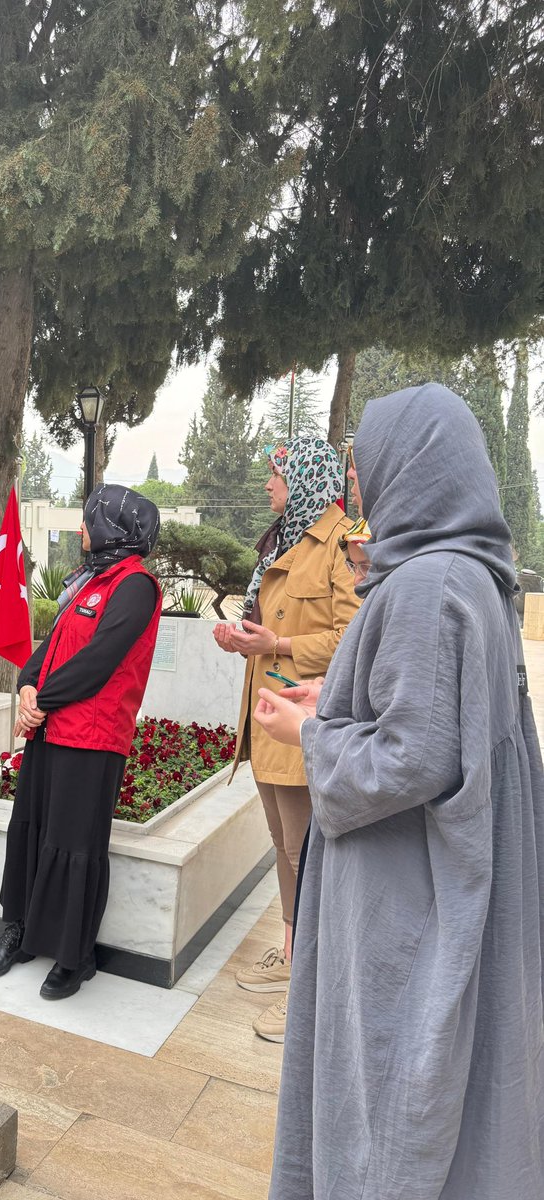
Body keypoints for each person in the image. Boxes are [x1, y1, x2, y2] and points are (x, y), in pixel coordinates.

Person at [254, 384, 544, 1200]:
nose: (358, 488)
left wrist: (311, 736)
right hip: (436, 879)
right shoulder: (476, 576)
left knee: (386, 1096)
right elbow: (431, 720)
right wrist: (332, 706)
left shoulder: (427, 584)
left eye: (365, 467)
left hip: (401, 897)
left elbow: (411, 758)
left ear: (410, 468)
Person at [0, 484, 162, 1000]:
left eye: (88, 520)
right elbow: (52, 646)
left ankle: (74, 956)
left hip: (94, 738)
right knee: (31, 831)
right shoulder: (89, 581)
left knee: (75, 846)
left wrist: (42, 700)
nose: (82, 529)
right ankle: (19, 932)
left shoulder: (136, 585)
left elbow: (101, 660)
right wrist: (28, 686)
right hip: (53, 728)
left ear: (113, 527)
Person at [213, 437, 360, 1042]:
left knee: (308, 856)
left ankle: (310, 986)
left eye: (277, 476)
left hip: (304, 726)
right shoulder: (285, 541)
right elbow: (272, 621)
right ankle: (292, 951)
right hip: (271, 718)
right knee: (285, 848)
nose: (269, 486)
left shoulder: (340, 545)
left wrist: (273, 646)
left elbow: (353, 637)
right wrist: (242, 635)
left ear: (303, 481)